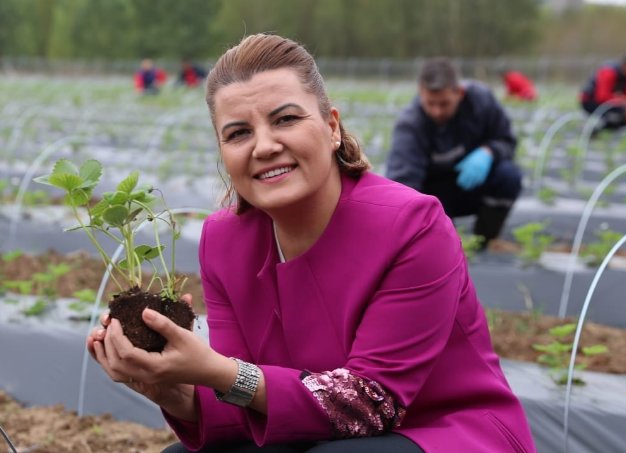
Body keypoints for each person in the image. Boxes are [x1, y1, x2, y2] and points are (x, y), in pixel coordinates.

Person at [87, 34, 536, 452]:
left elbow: (370, 403)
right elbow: (245, 395)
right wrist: (173, 390)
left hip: (445, 432)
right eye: (238, 133)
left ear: (331, 126)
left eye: (285, 119)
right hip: (320, 433)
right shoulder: (224, 240)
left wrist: (219, 370)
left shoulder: (412, 226)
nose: (264, 146)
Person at [385, 58, 522, 250]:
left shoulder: (481, 101)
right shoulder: (410, 125)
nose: (437, 111)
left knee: (508, 176)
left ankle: (483, 242)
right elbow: (404, 184)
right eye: (430, 103)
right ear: (421, 92)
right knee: (442, 247)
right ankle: (445, 244)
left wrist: (489, 151)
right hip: (434, 196)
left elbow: (507, 140)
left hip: (473, 185)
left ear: (460, 92)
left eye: (444, 104)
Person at [579, 55, 626, 133]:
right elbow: (602, 96)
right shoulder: (609, 72)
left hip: (605, 102)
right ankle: (592, 129)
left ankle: (602, 130)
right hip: (590, 101)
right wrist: (622, 102)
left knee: (624, 117)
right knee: (620, 113)